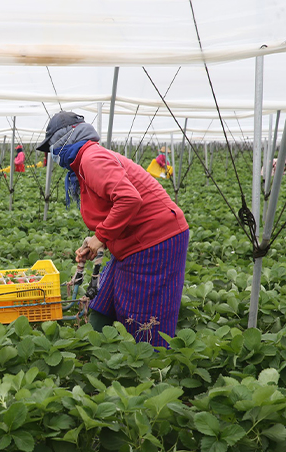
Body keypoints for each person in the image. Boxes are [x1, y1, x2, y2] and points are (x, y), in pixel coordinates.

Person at [36, 111, 189, 348]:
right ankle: (94, 350)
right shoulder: (84, 162)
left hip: (156, 239)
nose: (53, 154)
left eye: (53, 147)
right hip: (132, 239)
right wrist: (97, 239)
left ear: (66, 138)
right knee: (104, 298)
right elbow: (112, 206)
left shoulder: (91, 158)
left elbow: (129, 199)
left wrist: (102, 236)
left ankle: (151, 364)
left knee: (143, 312)